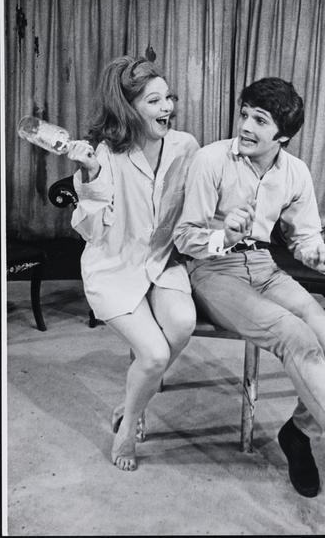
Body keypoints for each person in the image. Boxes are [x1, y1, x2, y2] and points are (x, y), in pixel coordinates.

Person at [173, 77, 325, 498]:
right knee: (295, 335)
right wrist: (223, 236)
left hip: (264, 266)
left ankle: (297, 434)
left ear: (282, 136)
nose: (245, 126)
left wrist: (317, 255)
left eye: (260, 120)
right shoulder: (210, 160)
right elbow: (184, 237)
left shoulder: (295, 172)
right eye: (244, 114)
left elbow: (304, 239)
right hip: (213, 270)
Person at [67, 56, 200, 471]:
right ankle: (128, 427)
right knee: (155, 356)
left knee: (183, 324)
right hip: (114, 267)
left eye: (168, 98)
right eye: (154, 101)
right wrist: (90, 176)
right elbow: (92, 232)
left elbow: (199, 200)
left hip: (161, 260)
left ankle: (130, 403)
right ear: (128, 108)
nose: (167, 107)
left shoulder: (185, 146)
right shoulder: (104, 155)